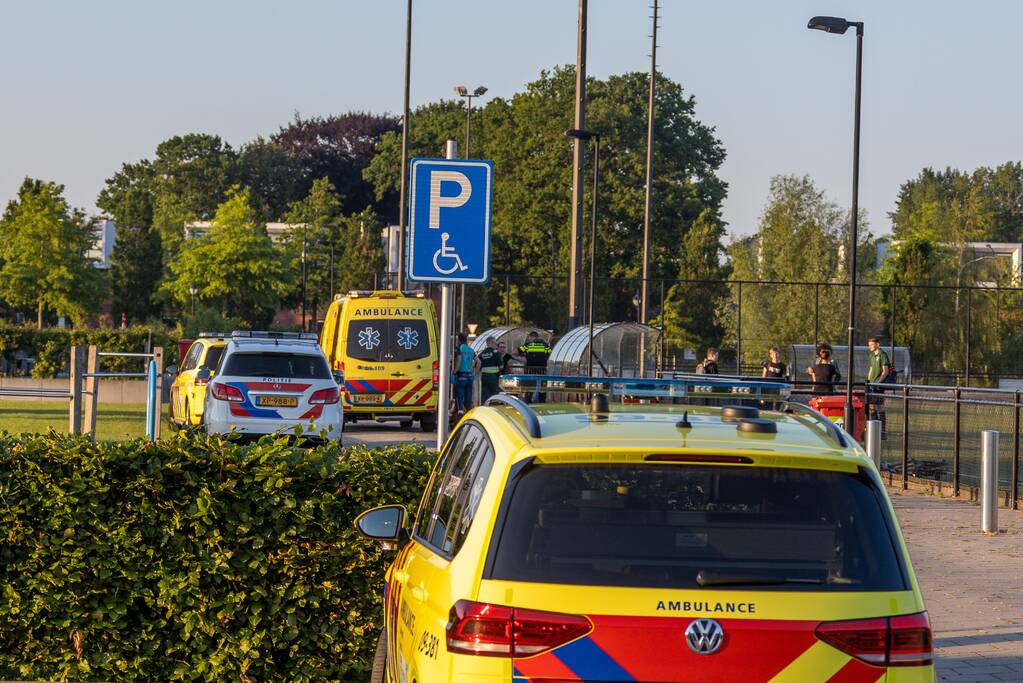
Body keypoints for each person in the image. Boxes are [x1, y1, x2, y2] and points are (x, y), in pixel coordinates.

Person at [516, 331, 553, 403]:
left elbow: (514, 352)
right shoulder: (544, 345)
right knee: (542, 388)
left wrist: (523, 357)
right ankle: (542, 402)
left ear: (530, 337)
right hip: (542, 371)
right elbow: (551, 354)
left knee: (530, 387)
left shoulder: (528, 345)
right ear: (537, 337)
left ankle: (529, 401)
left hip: (530, 371)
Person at [867, 337, 892, 428]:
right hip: (871, 385)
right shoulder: (871, 355)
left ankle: (882, 430)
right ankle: (874, 429)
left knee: (880, 407)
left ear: (877, 344)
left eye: (872, 344)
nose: (870, 347)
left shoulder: (883, 354)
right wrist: (868, 382)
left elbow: (885, 372)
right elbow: (871, 369)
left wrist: (878, 383)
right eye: (869, 345)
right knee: (871, 407)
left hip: (878, 386)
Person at [453, 333, 475, 416]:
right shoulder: (471, 350)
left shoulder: (459, 348)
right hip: (469, 376)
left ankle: (460, 413)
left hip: (461, 376)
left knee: (459, 396)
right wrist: (472, 371)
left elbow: (458, 359)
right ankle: (469, 413)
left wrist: (454, 371)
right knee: (468, 397)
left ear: (458, 340)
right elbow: (477, 361)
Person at [476, 337, 503, 404]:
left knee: (485, 394)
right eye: (495, 343)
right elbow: (501, 366)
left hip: (484, 376)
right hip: (493, 377)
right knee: (495, 394)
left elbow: (477, 364)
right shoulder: (496, 353)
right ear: (491, 343)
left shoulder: (482, 353)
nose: (496, 345)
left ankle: (484, 408)